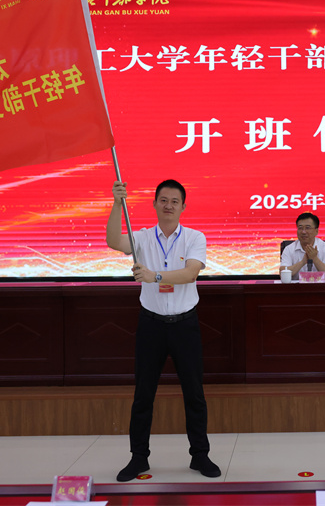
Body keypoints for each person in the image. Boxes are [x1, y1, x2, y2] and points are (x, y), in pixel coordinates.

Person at [106, 179, 221, 481]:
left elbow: (191, 273)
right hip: (151, 325)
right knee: (143, 395)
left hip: (185, 325)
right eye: (163, 200)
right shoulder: (143, 238)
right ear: (155, 204)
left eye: (174, 201)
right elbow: (113, 241)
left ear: (183, 206)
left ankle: (200, 455)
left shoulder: (194, 237)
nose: (168, 205)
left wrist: (153, 276)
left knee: (194, 394)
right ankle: (138, 458)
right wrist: (117, 203)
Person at [280, 212, 325, 279]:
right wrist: (303, 262)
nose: (303, 232)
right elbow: (282, 273)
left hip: (320, 285)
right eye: (300, 228)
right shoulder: (289, 249)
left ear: (316, 231)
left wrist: (314, 258)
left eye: (307, 228)